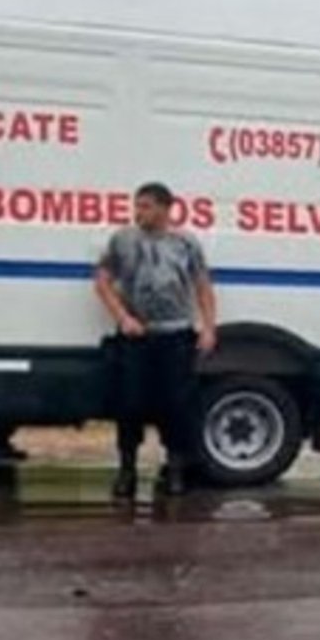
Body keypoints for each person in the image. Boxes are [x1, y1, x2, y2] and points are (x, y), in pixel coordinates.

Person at [94, 181, 217, 500]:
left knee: (176, 406)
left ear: (165, 208)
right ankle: (127, 470)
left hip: (175, 335)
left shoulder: (185, 243)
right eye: (137, 206)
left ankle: (175, 469)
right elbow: (103, 282)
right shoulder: (122, 240)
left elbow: (202, 286)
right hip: (137, 337)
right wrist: (123, 317)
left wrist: (208, 328)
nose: (139, 213)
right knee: (129, 404)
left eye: (146, 206)